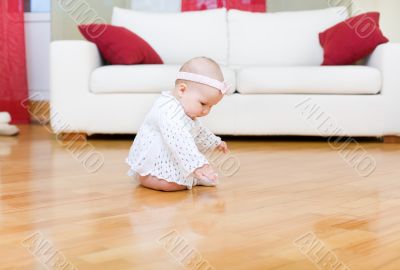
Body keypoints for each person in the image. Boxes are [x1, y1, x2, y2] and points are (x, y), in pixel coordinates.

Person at [126, 57, 231, 191]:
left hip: (169, 154)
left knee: (181, 177)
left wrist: (214, 142)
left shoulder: (184, 109)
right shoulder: (167, 109)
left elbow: (196, 130)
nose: (206, 111)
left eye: (211, 106)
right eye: (203, 103)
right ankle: (187, 178)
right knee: (172, 185)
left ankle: (192, 177)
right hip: (152, 163)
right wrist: (197, 164)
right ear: (182, 90)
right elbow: (179, 138)